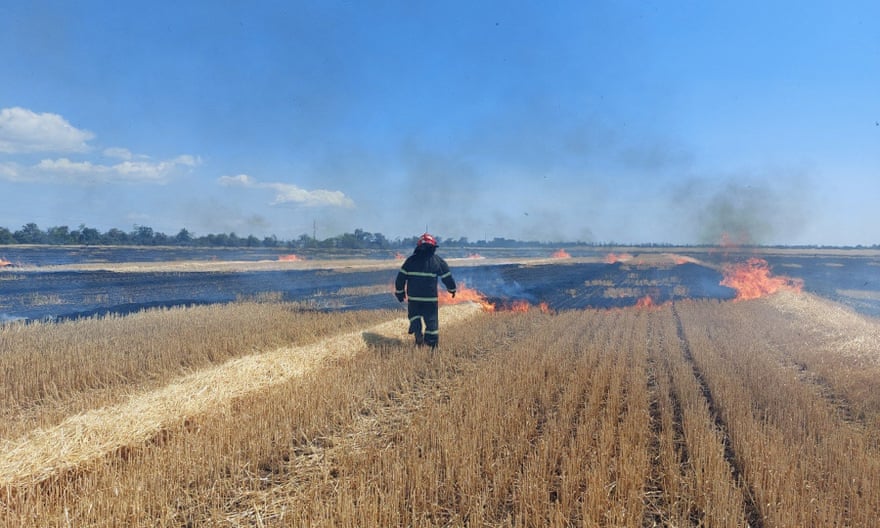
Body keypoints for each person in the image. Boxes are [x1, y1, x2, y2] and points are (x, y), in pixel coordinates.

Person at [394, 233, 456, 348]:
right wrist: (452, 289)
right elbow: (447, 277)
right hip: (430, 300)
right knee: (431, 321)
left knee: (414, 317)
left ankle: (418, 334)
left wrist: (399, 292)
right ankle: (432, 345)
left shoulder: (410, 261)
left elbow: (400, 278)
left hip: (414, 298)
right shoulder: (438, 261)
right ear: (433, 248)